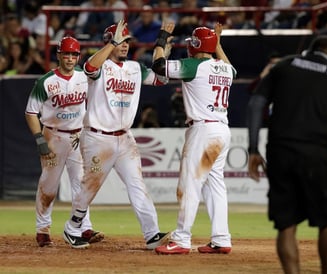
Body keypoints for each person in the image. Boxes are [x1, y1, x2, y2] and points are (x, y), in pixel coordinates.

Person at [247, 35, 327, 274]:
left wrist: (254, 149)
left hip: (280, 152)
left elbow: (256, 104)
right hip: (317, 154)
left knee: (286, 224)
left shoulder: (284, 65)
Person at [62, 19, 170, 249]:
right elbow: (89, 67)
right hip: (98, 136)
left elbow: (161, 79)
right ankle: (72, 227)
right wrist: (112, 43)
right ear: (110, 42)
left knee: (137, 184)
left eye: (127, 41)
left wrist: (163, 49)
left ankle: (152, 234)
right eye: (121, 41)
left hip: (124, 137)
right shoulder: (100, 66)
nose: (125, 45)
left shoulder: (135, 68)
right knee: (90, 185)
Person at [152, 21, 237, 255]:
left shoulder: (194, 65)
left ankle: (181, 239)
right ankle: (221, 238)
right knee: (214, 185)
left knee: (190, 184)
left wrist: (162, 38)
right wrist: (217, 43)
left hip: (203, 130)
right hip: (221, 129)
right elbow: (230, 67)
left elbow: (159, 66)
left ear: (198, 45)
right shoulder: (226, 69)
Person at [25, 36, 104, 247]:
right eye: (66, 54)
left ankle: (83, 227)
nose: (70, 58)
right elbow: (31, 112)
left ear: (78, 56)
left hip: (78, 136)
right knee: (49, 185)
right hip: (53, 136)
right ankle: (42, 229)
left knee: (81, 184)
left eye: (74, 54)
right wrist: (40, 140)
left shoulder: (85, 77)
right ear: (59, 55)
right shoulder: (46, 81)